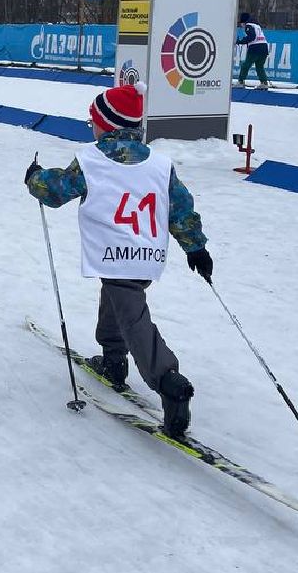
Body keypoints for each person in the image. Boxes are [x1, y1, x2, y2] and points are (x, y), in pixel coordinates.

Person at [25, 82, 211, 438]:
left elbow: (56, 190)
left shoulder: (92, 159)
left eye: (93, 121)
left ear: (106, 125)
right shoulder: (160, 164)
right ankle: (113, 359)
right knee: (117, 300)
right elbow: (181, 208)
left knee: (132, 316)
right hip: (146, 251)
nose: (90, 127)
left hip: (114, 251)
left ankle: (169, 381)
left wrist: (35, 178)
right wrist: (195, 247)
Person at [236, 11, 269, 89]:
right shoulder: (257, 25)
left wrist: (241, 41)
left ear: (243, 22)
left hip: (255, 48)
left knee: (245, 65)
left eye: (241, 23)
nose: (241, 25)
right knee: (260, 66)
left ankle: (241, 82)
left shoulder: (248, 26)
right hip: (264, 47)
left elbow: (252, 37)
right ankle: (264, 83)